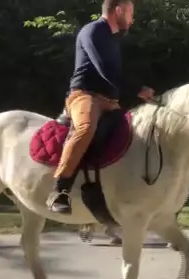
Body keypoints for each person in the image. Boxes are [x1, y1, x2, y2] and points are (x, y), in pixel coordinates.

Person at [47, 0, 155, 214]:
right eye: (131, 14)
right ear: (119, 11)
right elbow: (105, 71)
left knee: (136, 132)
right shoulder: (93, 31)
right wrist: (138, 89)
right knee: (86, 128)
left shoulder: (112, 40)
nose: (133, 20)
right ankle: (60, 190)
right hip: (85, 96)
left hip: (110, 102)